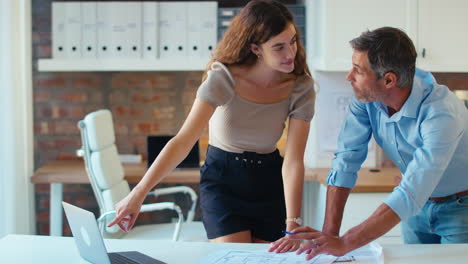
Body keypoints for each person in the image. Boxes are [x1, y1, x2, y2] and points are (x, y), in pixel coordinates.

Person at [108, 0, 316, 249]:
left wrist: (293, 222)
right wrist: (138, 193)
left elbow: (293, 160)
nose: (290, 53)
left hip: (268, 181)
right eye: (279, 47)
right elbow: (184, 140)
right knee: (234, 255)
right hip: (223, 180)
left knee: (266, 258)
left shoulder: (300, 86)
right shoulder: (224, 77)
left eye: (292, 41)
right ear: (256, 48)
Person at [273, 27, 468, 260]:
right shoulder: (368, 98)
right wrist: (329, 237)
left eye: (357, 70)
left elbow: (411, 191)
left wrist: (345, 243)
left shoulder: (441, 112)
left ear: (388, 80)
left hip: (461, 209)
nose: (349, 77)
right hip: (416, 209)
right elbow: (346, 160)